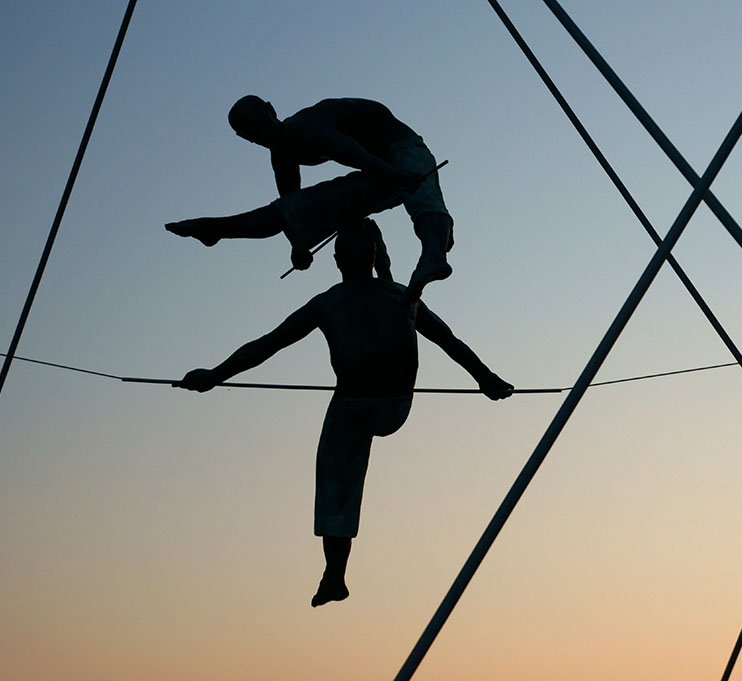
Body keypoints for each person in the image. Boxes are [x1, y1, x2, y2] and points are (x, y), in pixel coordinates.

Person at [173, 221, 513, 607]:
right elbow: (449, 341)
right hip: (391, 406)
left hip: (362, 406)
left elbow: (267, 345)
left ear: (336, 261)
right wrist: (485, 378)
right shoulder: (398, 295)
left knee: (336, 478)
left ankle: (335, 573)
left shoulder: (342, 301)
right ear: (372, 258)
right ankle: (335, 576)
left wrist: (215, 375)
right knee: (341, 460)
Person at [226, 96, 454, 298]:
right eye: (256, 135)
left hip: (398, 145)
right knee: (345, 202)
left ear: (271, 109)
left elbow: (353, 155)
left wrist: (397, 175)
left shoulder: (304, 126)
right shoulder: (281, 153)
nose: (266, 134)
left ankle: (434, 253)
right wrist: (298, 246)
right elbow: (293, 206)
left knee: (417, 182)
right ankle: (436, 236)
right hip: (378, 169)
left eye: (264, 124)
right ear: (245, 138)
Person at [166, 171, 403, 278]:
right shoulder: (372, 189)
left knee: (267, 220)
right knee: (270, 219)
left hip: (310, 209)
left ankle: (213, 230)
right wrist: (299, 246)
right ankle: (211, 229)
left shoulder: (367, 203)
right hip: (311, 207)